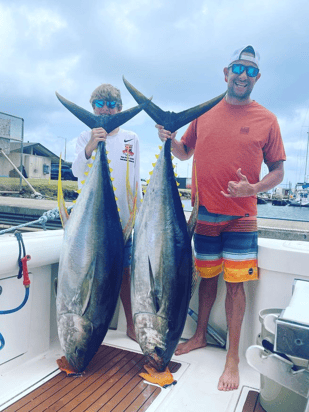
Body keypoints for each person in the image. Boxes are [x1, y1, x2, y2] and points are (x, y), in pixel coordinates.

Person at [156, 45, 286, 391]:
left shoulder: (267, 119)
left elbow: (278, 172)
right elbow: (185, 153)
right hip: (203, 213)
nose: (243, 75)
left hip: (241, 216)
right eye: (238, 69)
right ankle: (199, 335)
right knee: (207, 278)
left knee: (235, 286)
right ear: (226, 73)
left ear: (257, 78)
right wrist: (169, 140)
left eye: (251, 71)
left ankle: (232, 359)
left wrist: (253, 188)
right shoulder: (205, 113)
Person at [72, 83, 142, 341]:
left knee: (124, 272)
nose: (106, 108)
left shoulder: (131, 139)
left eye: (112, 104)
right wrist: (92, 143)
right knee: (89, 272)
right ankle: (87, 323)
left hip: (123, 223)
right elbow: (77, 171)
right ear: (92, 108)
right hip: (90, 224)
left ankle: (131, 325)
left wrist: (139, 214)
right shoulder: (84, 137)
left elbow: (135, 180)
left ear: (120, 109)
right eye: (99, 104)